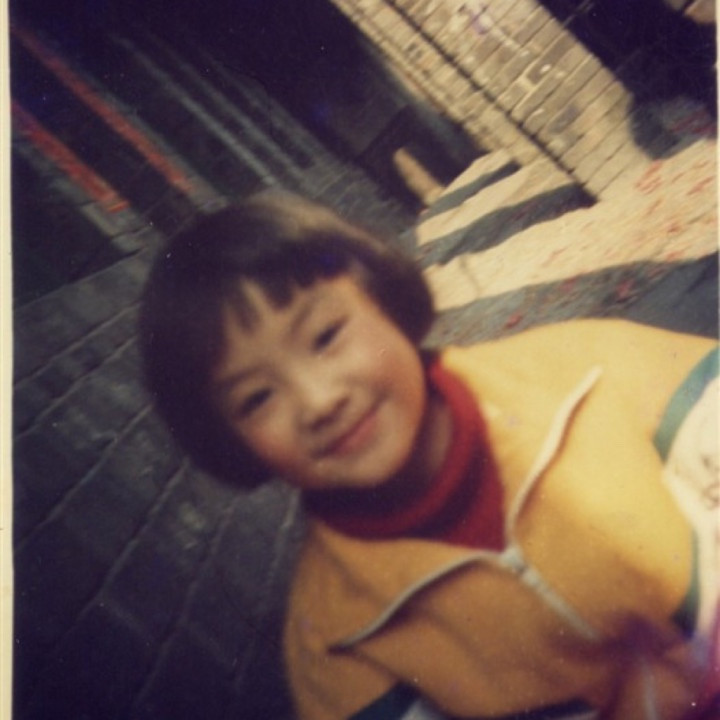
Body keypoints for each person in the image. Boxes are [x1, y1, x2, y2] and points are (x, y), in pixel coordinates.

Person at [139, 190, 719, 720]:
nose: (318, 401)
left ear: (383, 298)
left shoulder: (591, 370)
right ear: (229, 442)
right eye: (257, 398)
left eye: (325, 336)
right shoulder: (336, 644)